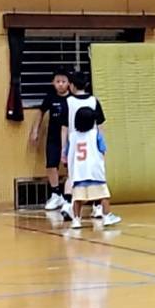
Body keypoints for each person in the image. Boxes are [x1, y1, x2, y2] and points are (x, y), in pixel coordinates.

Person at [60, 70, 106, 221]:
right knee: (96, 176)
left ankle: (68, 205)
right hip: (92, 143)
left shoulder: (67, 102)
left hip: (75, 143)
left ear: (71, 85)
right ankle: (98, 207)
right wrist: (101, 145)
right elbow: (101, 125)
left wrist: (63, 150)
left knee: (73, 176)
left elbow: (64, 128)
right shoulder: (94, 101)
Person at [66, 107, 121, 229]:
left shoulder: (72, 136)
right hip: (94, 172)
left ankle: (76, 220)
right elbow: (103, 149)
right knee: (103, 196)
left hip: (79, 173)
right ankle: (107, 216)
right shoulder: (96, 135)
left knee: (77, 199)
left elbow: (67, 153)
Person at [30, 68, 71, 212]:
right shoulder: (50, 97)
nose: (60, 84)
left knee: (70, 167)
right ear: (53, 83)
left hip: (70, 139)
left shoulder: (73, 99)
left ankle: (69, 197)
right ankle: (56, 193)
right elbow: (40, 113)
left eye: (63, 81)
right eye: (58, 81)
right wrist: (35, 131)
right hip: (53, 138)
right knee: (51, 165)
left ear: (69, 83)